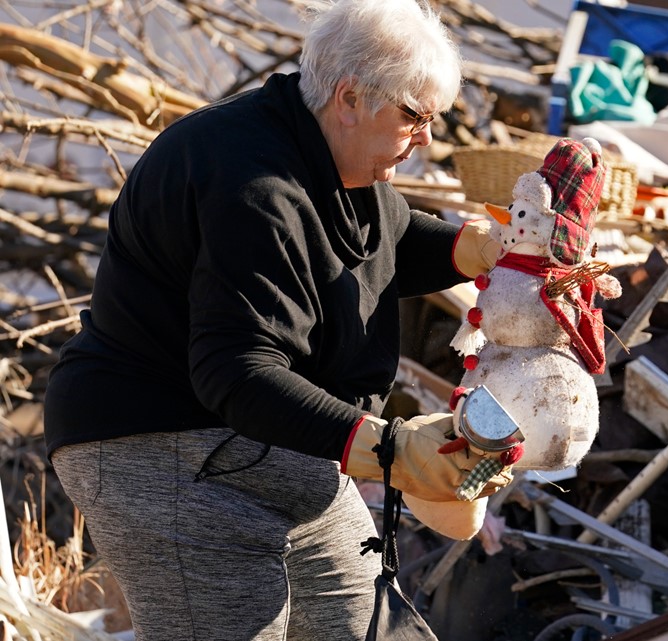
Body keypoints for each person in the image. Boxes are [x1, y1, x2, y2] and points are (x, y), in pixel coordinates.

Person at [42, 0, 507, 639]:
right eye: (416, 115)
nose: (427, 135)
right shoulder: (251, 183)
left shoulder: (326, 151)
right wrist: (391, 449)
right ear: (350, 97)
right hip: (158, 446)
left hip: (259, 442)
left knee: (369, 628)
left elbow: (383, 240)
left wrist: (483, 251)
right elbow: (237, 371)